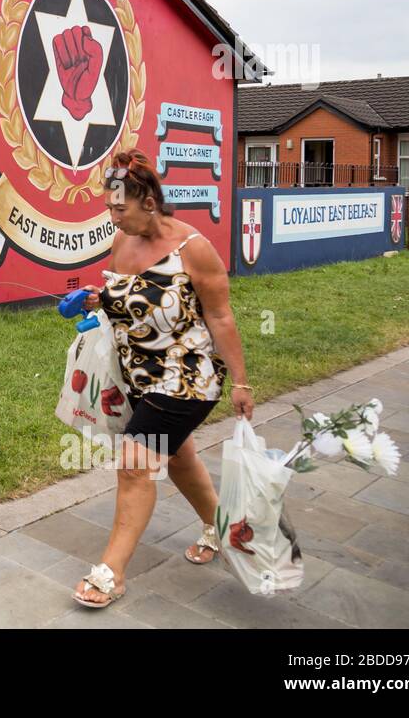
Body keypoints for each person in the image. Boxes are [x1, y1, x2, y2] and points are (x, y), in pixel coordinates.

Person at [71, 148, 254, 608]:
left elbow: (221, 316)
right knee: (177, 456)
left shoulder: (193, 248)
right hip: (138, 374)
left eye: (120, 208)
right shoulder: (121, 243)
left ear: (148, 203)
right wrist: (95, 302)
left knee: (136, 461)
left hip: (189, 374)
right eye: (109, 208)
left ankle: (110, 571)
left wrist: (242, 383)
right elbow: (125, 298)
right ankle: (222, 525)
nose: (113, 217)